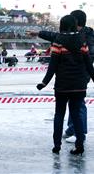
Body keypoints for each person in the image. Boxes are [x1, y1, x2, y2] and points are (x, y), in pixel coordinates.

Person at [29, 10, 94, 143]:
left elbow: (88, 59)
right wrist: (39, 33)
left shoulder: (86, 37)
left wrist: (44, 82)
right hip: (76, 80)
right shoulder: (76, 35)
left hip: (75, 79)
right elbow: (55, 35)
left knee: (77, 107)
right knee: (75, 106)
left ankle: (77, 134)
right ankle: (73, 130)